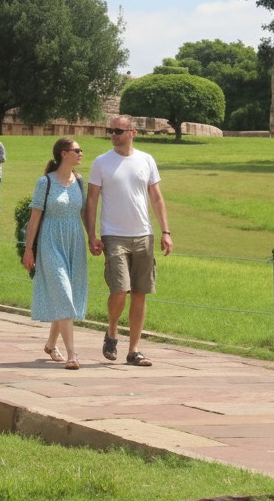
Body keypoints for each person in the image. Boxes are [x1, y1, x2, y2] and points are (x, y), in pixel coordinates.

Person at [85, 115, 172, 367]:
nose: (113, 134)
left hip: (143, 235)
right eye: (110, 130)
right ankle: (112, 331)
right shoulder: (101, 162)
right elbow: (91, 201)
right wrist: (91, 235)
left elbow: (156, 198)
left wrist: (166, 231)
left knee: (140, 293)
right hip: (114, 236)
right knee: (120, 290)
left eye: (118, 131)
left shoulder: (146, 160)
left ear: (132, 132)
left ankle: (134, 350)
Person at [22, 137, 89, 370]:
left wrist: (93, 238)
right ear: (63, 154)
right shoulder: (45, 182)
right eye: (76, 150)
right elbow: (34, 219)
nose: (81, 153)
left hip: (75, 242)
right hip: (50, 242)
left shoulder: (80, 181)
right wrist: (28, 249)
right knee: (63, 292)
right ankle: (72, 354)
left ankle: (51, 344)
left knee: (67, 295)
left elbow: (85, 215)